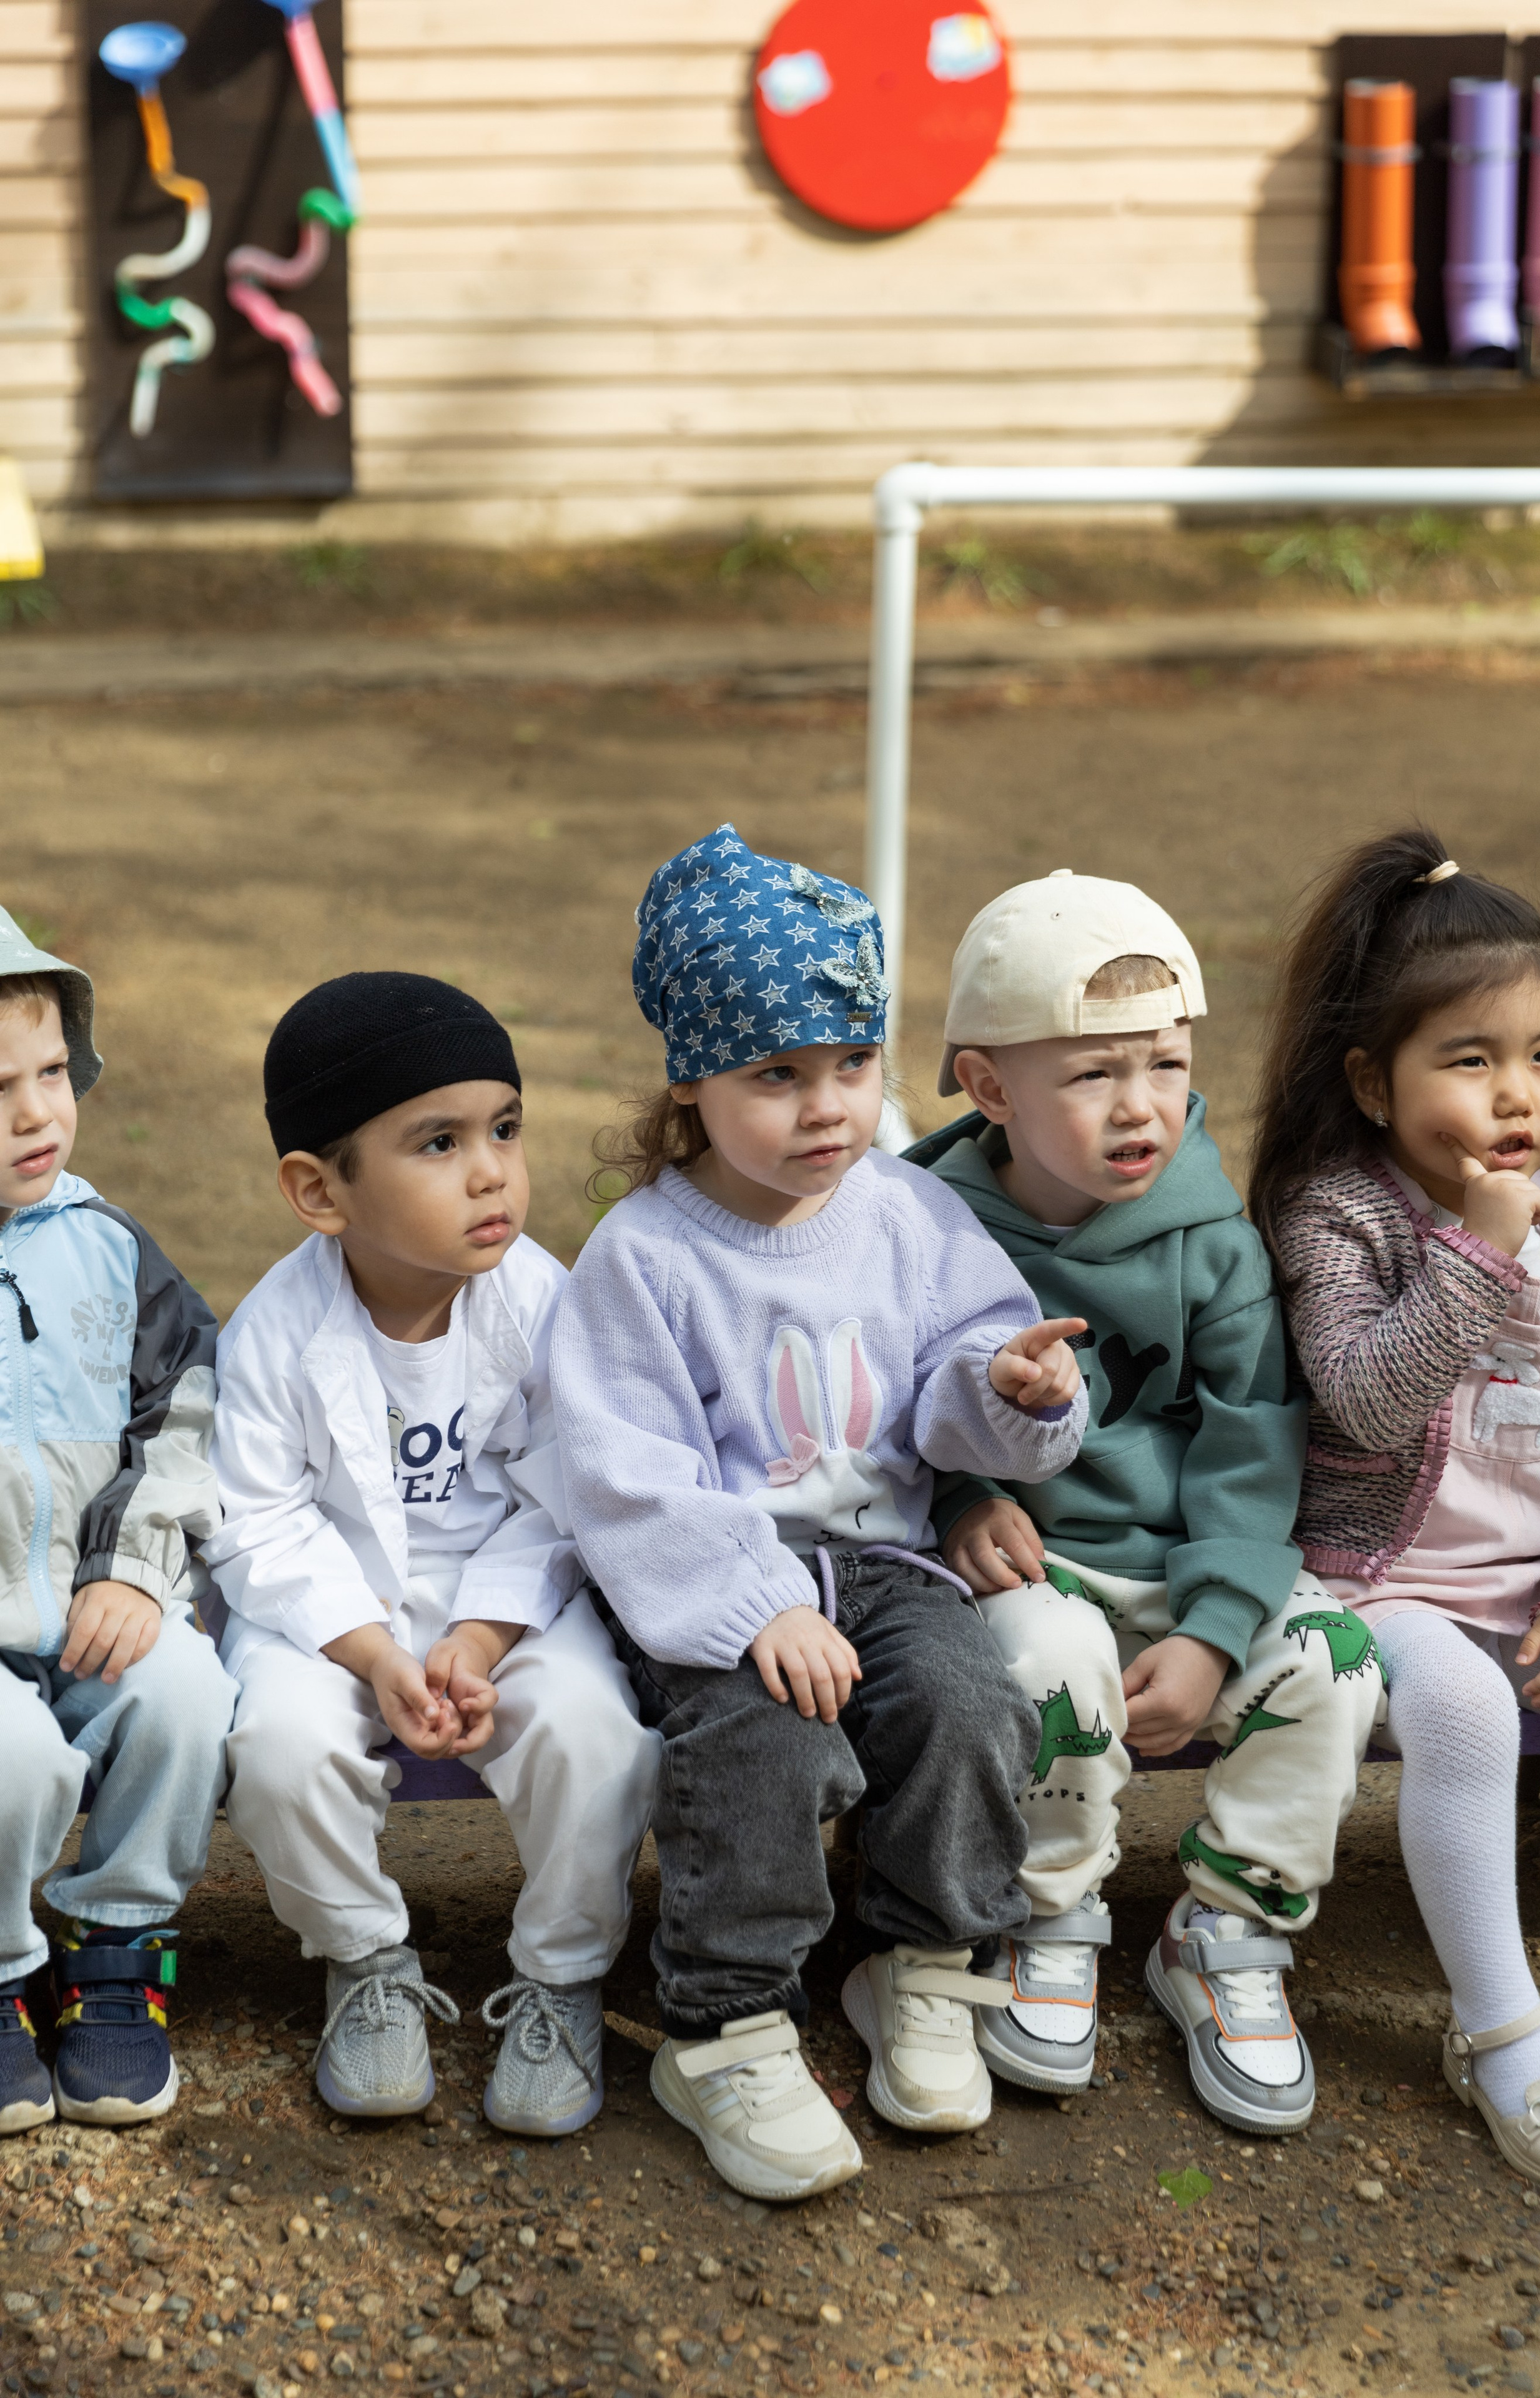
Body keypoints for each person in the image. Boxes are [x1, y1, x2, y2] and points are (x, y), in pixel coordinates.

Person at [550, 825, 1088, 2202]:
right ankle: (723, 2024)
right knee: (764, 1741)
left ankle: (922, 1962)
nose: (825, 1107)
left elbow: (954, 1382)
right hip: (722, 1579)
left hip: (888, 1560)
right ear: (693, 1080)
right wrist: (755, 1605)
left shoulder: (905, 1215)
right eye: (774, 1077)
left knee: (967, 1701)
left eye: (850, 1065)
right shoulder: (648, 1253)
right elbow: (624, 1469)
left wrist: (1010, 1390)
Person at [910, 871, 1385, 2139]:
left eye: (1164, 1065)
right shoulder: (922, 1228)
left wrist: (1217, 1622)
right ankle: (1046, 1907)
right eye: (1090, 1075)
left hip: (1183, 1568)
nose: (1141, 1108)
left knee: (1334, 1660)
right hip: (1035, 1571)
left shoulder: (1211, 1237)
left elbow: (1250, 1439)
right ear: (987, 1086)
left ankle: (1226, 1925)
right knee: (1050, 1671)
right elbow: (891, 1399)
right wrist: (958, 1497)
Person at [208, 973, 659, 2135]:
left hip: (506, 1607)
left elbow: (565, 1493)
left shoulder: (539, 1302)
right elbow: (258, 1523)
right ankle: (365, 1959)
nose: (491, 1170)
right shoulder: (277, 1334)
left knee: (595, 1736)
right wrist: (371, 1654)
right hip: (328, 1614)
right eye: (439, 1142)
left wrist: (478, 1634)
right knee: (279, 1745)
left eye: (505, 1129)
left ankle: (560, 1975)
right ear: (320, 1191)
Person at [1251, 827, 1540, 2196]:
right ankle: (1498, 2029)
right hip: (1374, 1588)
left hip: (1528, 1588)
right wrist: (1479, 1243)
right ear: (1369, 1082)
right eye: (1467, 1060)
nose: (1514, 1096)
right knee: (1459, 1711)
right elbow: (1363, 1406)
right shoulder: (1334, 1212)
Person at [0, 907, 232, 2135]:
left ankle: (117, 1957)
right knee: (15, 1760)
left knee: (185, 1699)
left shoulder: (105, 1249)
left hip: (88, 1602)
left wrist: (137, 1572)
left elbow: (186, 1412)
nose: (40, 1113)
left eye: (51, 1073)